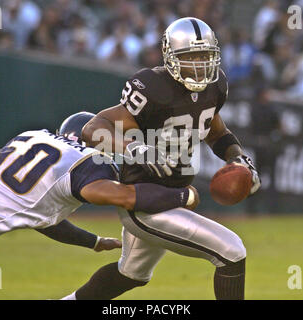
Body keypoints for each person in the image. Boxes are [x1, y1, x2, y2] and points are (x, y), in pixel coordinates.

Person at [63, 17, 261, 300]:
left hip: (172, 195)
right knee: (231, 251)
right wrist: (133, 148)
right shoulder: (152, 88)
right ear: (170, 56)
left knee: (130, 274)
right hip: (144, 202)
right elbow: (94, 127)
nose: (200, 64)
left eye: (205, 56)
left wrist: (239, 159)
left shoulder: (215, 86)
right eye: (190, 57)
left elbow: (216, 133)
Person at [0, 112, 197, 300]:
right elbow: (120, 196)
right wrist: (183, 196)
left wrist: (94, 242)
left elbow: (40, 217)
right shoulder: (87, 162)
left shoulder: (34, 135)